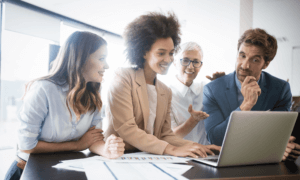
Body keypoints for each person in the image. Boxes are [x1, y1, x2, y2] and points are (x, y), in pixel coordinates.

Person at [5, 31, 125, 180]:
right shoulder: (43, 89)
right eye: (101, 58)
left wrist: (107, 150)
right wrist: (77, 145)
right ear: (80, 59)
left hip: (67, 172)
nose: (106, 66)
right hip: (28, 171)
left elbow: (94, 140)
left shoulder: (94, 93)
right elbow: (27, 146)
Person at [104, 12, 221, 158]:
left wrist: (200, 147)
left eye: (171, 53)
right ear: (144, 52)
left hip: (149, 158)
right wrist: (172, 150)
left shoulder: (165, 91)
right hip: (120, 157)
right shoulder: (123, 77)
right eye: (161, 53)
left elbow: (165, 135)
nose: (168, 59)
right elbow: (127, 129)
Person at [203, 28, 300, 161]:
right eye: (242, 56)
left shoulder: (280, 89)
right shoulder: (212, 89)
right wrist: (245, 106)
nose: (244, 65)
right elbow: (215, 138)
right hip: (224, 161)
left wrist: (284, 146)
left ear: (265, 64)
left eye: (254, 60)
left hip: (265, 161)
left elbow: (279, 135)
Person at [170, 41, 224, 144]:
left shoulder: (207, 88)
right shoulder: (166, 93)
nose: (190, 67)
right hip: (180, 155)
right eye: (185, 60)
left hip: (207, 154)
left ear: (201, 65)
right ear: (174, 62)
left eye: (196, 62)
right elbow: (171, 137)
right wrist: (193, 120)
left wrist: (225, 88)